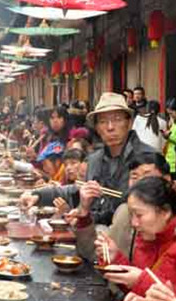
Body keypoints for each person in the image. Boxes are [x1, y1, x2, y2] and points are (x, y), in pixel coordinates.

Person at [21, 93, 154, 226]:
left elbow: (138, 207)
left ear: (129, 123)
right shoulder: (95, 159)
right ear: (96, 128)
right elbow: (77, 190)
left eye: (117, 120)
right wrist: (38, 195)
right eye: (103, 122)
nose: (110, 127)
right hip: (93, 236)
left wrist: (86, 216)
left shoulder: (147, 158)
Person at [94, 177, 176, 301]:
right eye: (131, 215)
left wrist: (140, 280)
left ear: (165, 212)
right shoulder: (150, 235)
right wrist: (115, 257)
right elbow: (137, 290)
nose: (133, 223)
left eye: (139, 215)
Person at [74, 151, 174, 261]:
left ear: (167, 179)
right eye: (134, 176)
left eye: (147, 175)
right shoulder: (124, 212)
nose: (139, 183)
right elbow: (98, 256)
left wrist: (139, 277)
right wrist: (84, 211)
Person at [163, 97, 176, 174]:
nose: (170, 116)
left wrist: (170, 136)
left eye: (171, 113)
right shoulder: (175, 122)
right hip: (170, 157)